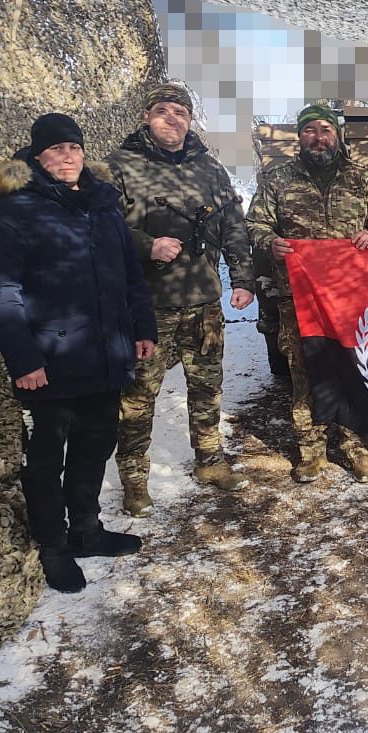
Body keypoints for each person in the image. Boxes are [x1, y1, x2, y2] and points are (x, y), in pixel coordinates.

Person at [0, 113, 157, 593]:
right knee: (44, 460)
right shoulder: (10, 211)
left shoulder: (103, 206)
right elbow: (1, 294)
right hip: (48, 364)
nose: (66, 157)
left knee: (95, 445)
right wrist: (24, 361)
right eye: (55, 150)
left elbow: (130, 277)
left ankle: (86, 530)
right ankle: (53, 548)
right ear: (36, 158)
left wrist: (142, 329)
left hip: (104, 355)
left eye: (73, 148)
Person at [107, 83, 258, 516]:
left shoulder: (210, 169)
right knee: (137, 397)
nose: (172, 118)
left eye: (180, 112)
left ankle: (210, 461)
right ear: (145, 116)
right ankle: (135, 479)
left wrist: (242, 279)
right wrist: (145, 245)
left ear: (190, 121)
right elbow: (97, 229)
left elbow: (233, 226)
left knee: (207, 387)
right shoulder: (118, 167)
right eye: (163, 110)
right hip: (146, 306)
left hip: (203, 301)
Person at [246, 103, 368, 484]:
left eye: (325, 130)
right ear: (300, 137)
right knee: (306, 372)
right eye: (310, 130)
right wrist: (270, 241)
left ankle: (354, 445)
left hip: (351, 298)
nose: (319, 136)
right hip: (298, 297)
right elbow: (254, 224)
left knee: (352, 369)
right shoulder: (277, 179)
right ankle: (311, 449)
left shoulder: (360, 178)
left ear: (337, 136)